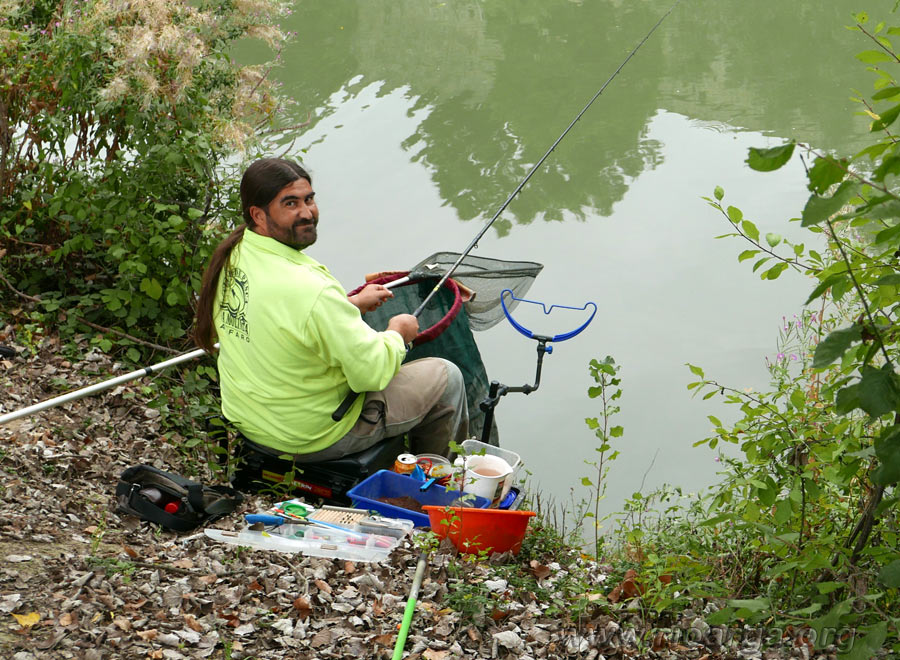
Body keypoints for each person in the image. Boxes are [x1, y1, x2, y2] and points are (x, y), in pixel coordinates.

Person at [194, 158, 468, 463]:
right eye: (290, 203)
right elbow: (371, 374)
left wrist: (349, 305)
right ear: (258, 215)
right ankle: (436, 481)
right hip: (311, 437)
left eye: (309, 199)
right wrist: (398, 333)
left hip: (251, 422)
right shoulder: (312, 288)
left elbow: (282, 320)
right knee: (448, 377)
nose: (306, 213)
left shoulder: (235, 254)